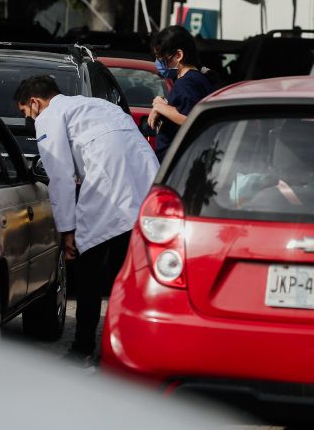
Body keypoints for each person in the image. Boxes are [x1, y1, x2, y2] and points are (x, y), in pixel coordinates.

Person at [14, 75, 159, 362]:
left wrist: (67, 230)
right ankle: (134, 348)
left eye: (25, 113)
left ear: (34, 102)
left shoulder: (49, 116)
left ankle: (83, 347)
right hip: (147, 194)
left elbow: (60, 177)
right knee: (134, 280)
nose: (29, 119)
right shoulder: (100, 106)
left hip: (108, 197)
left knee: (89, 277)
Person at [147, 26, 215, 161]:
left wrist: (160, 107)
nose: (158, 63)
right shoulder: (196, 79)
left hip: (176, 162)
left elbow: (190, 119)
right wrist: (164, 104)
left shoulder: (187, 82)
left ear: (178, 55)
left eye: (161, 58)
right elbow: (184, 106)